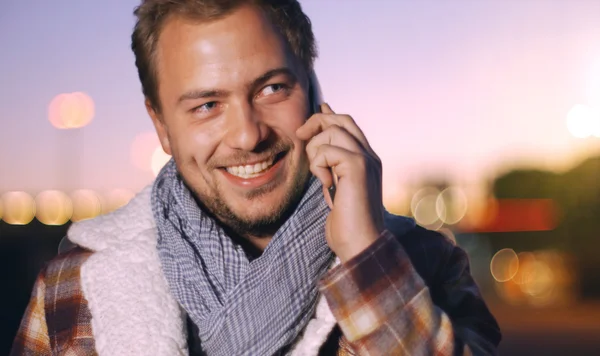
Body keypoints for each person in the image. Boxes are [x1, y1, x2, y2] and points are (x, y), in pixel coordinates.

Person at [11, 1, 501, 355]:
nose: (247, 135)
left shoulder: (425, 262)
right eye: (207, 105)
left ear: (312, 92)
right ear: (161, 125)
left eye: (271, 88)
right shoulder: (69, 287)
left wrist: (367, 258)